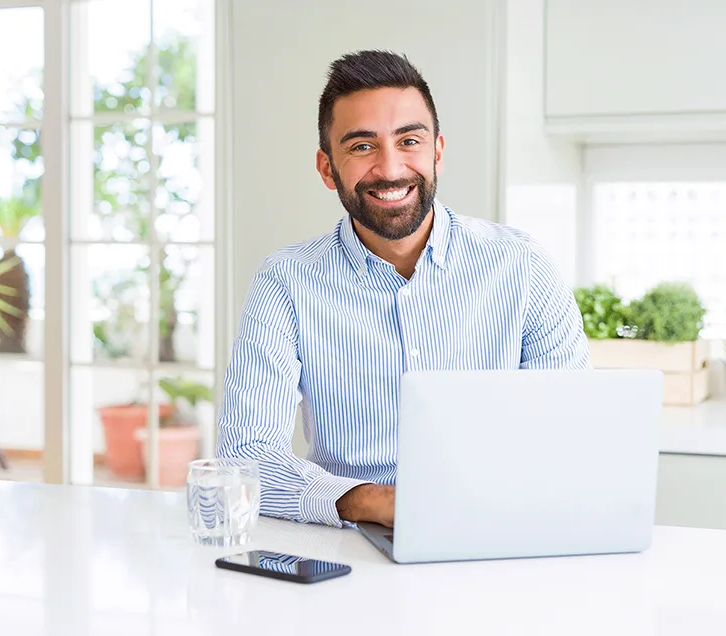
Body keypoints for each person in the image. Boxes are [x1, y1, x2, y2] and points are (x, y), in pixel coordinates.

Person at [216, 50, 590, 529]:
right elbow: (247, 457)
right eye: (361, 147)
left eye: (409, 140)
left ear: (437, 151)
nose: (390, 169)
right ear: (327, 167)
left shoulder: (522, 266)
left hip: (499, 531)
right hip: (352, 543)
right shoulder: (286, 282)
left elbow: (573, 432)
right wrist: (369, 502)